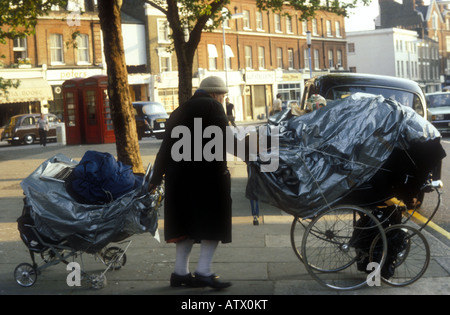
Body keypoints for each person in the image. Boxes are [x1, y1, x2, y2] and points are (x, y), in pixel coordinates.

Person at [148, 76, 233, 290]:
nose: (222, 99)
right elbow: (226, 140)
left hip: (179, 179)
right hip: (207, 178)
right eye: (222, 95)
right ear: (215, 94)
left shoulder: (180, 110)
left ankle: (180, 273)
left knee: (185, 226)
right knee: (214, 223)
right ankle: (204, 271)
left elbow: (165, 149)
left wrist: (154, 179)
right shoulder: (214, 107)